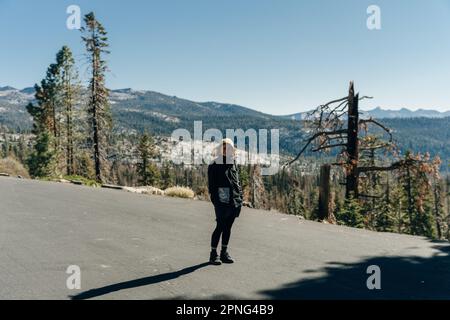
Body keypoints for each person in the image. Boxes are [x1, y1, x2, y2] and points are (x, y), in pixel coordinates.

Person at [207, 138, 243, 265]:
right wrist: (217, 202)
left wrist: (240, 198)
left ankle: (224, 253)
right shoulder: (214, 164)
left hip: (234, 201)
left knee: (228, 228)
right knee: (220, 226)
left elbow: (237, 182)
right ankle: (213, 254)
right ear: (219, 149)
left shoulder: (233, 163)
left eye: (229, 148)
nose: (226, 150)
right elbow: (211, 187)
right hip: (221, 201)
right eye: (224, 147)